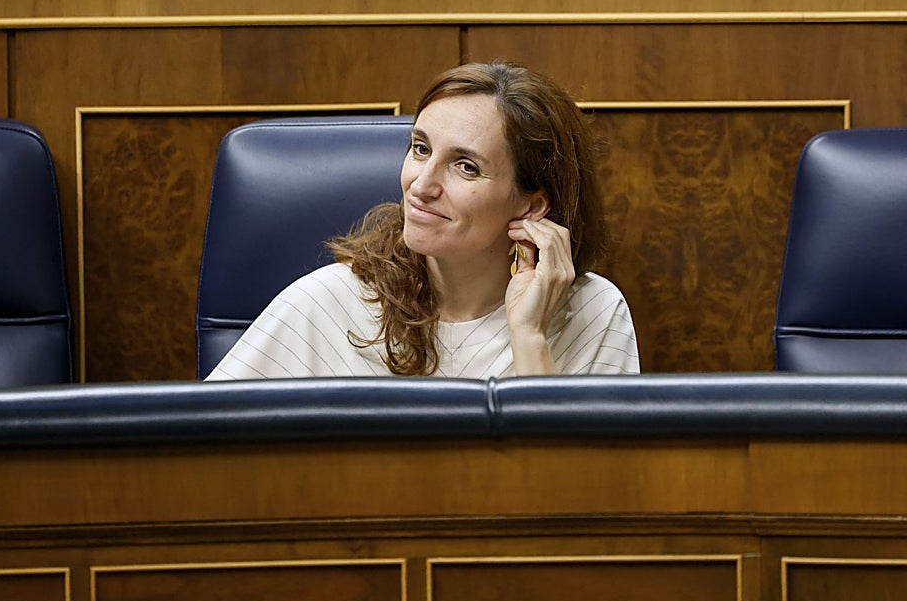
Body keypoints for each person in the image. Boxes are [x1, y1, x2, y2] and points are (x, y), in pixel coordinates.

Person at [206, 61, 640, 381]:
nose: (422, 184)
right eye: (420, 149)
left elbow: (575, 494)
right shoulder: (327, 303)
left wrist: (529, 337)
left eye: (465, 167)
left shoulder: (591, 312)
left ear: (531, 206)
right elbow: (203, 456)